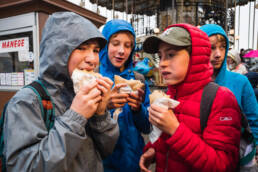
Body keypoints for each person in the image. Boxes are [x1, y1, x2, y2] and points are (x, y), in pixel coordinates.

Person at [2, 12, 119, 171]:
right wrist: (76, 117)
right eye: (81, 48)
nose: (92, 59)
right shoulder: (27, 101)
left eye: (96, 50)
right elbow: (24, 167)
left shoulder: (84, 94)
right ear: (58, 51)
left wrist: (100, 115)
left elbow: (107, 150)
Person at [139, 24, 241, 172]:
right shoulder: (171, 94)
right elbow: (168, 143)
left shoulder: (221, 99)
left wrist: (175, 129)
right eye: (160, 56)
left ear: (195, 56)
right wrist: (154, 150)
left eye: (171, 54)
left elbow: (222, 165)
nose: (162, 63)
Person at [99, 19, 152, 172]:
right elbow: (81, 128)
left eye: (127, 45)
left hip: (133, 163)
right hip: (102, 165)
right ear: (106, 45)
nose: (121, 51)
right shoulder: (93, 78)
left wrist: (138, 110)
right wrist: (105, 107)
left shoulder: (138, 80)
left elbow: (147, 127)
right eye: (115, 43)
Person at [200, 24, 258, 144]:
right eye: (211, 47)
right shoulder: (190, 84)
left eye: (223, 47)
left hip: (235, 156)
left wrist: (253, 148)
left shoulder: (240, 82)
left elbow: (254, 120)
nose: (218, 54)